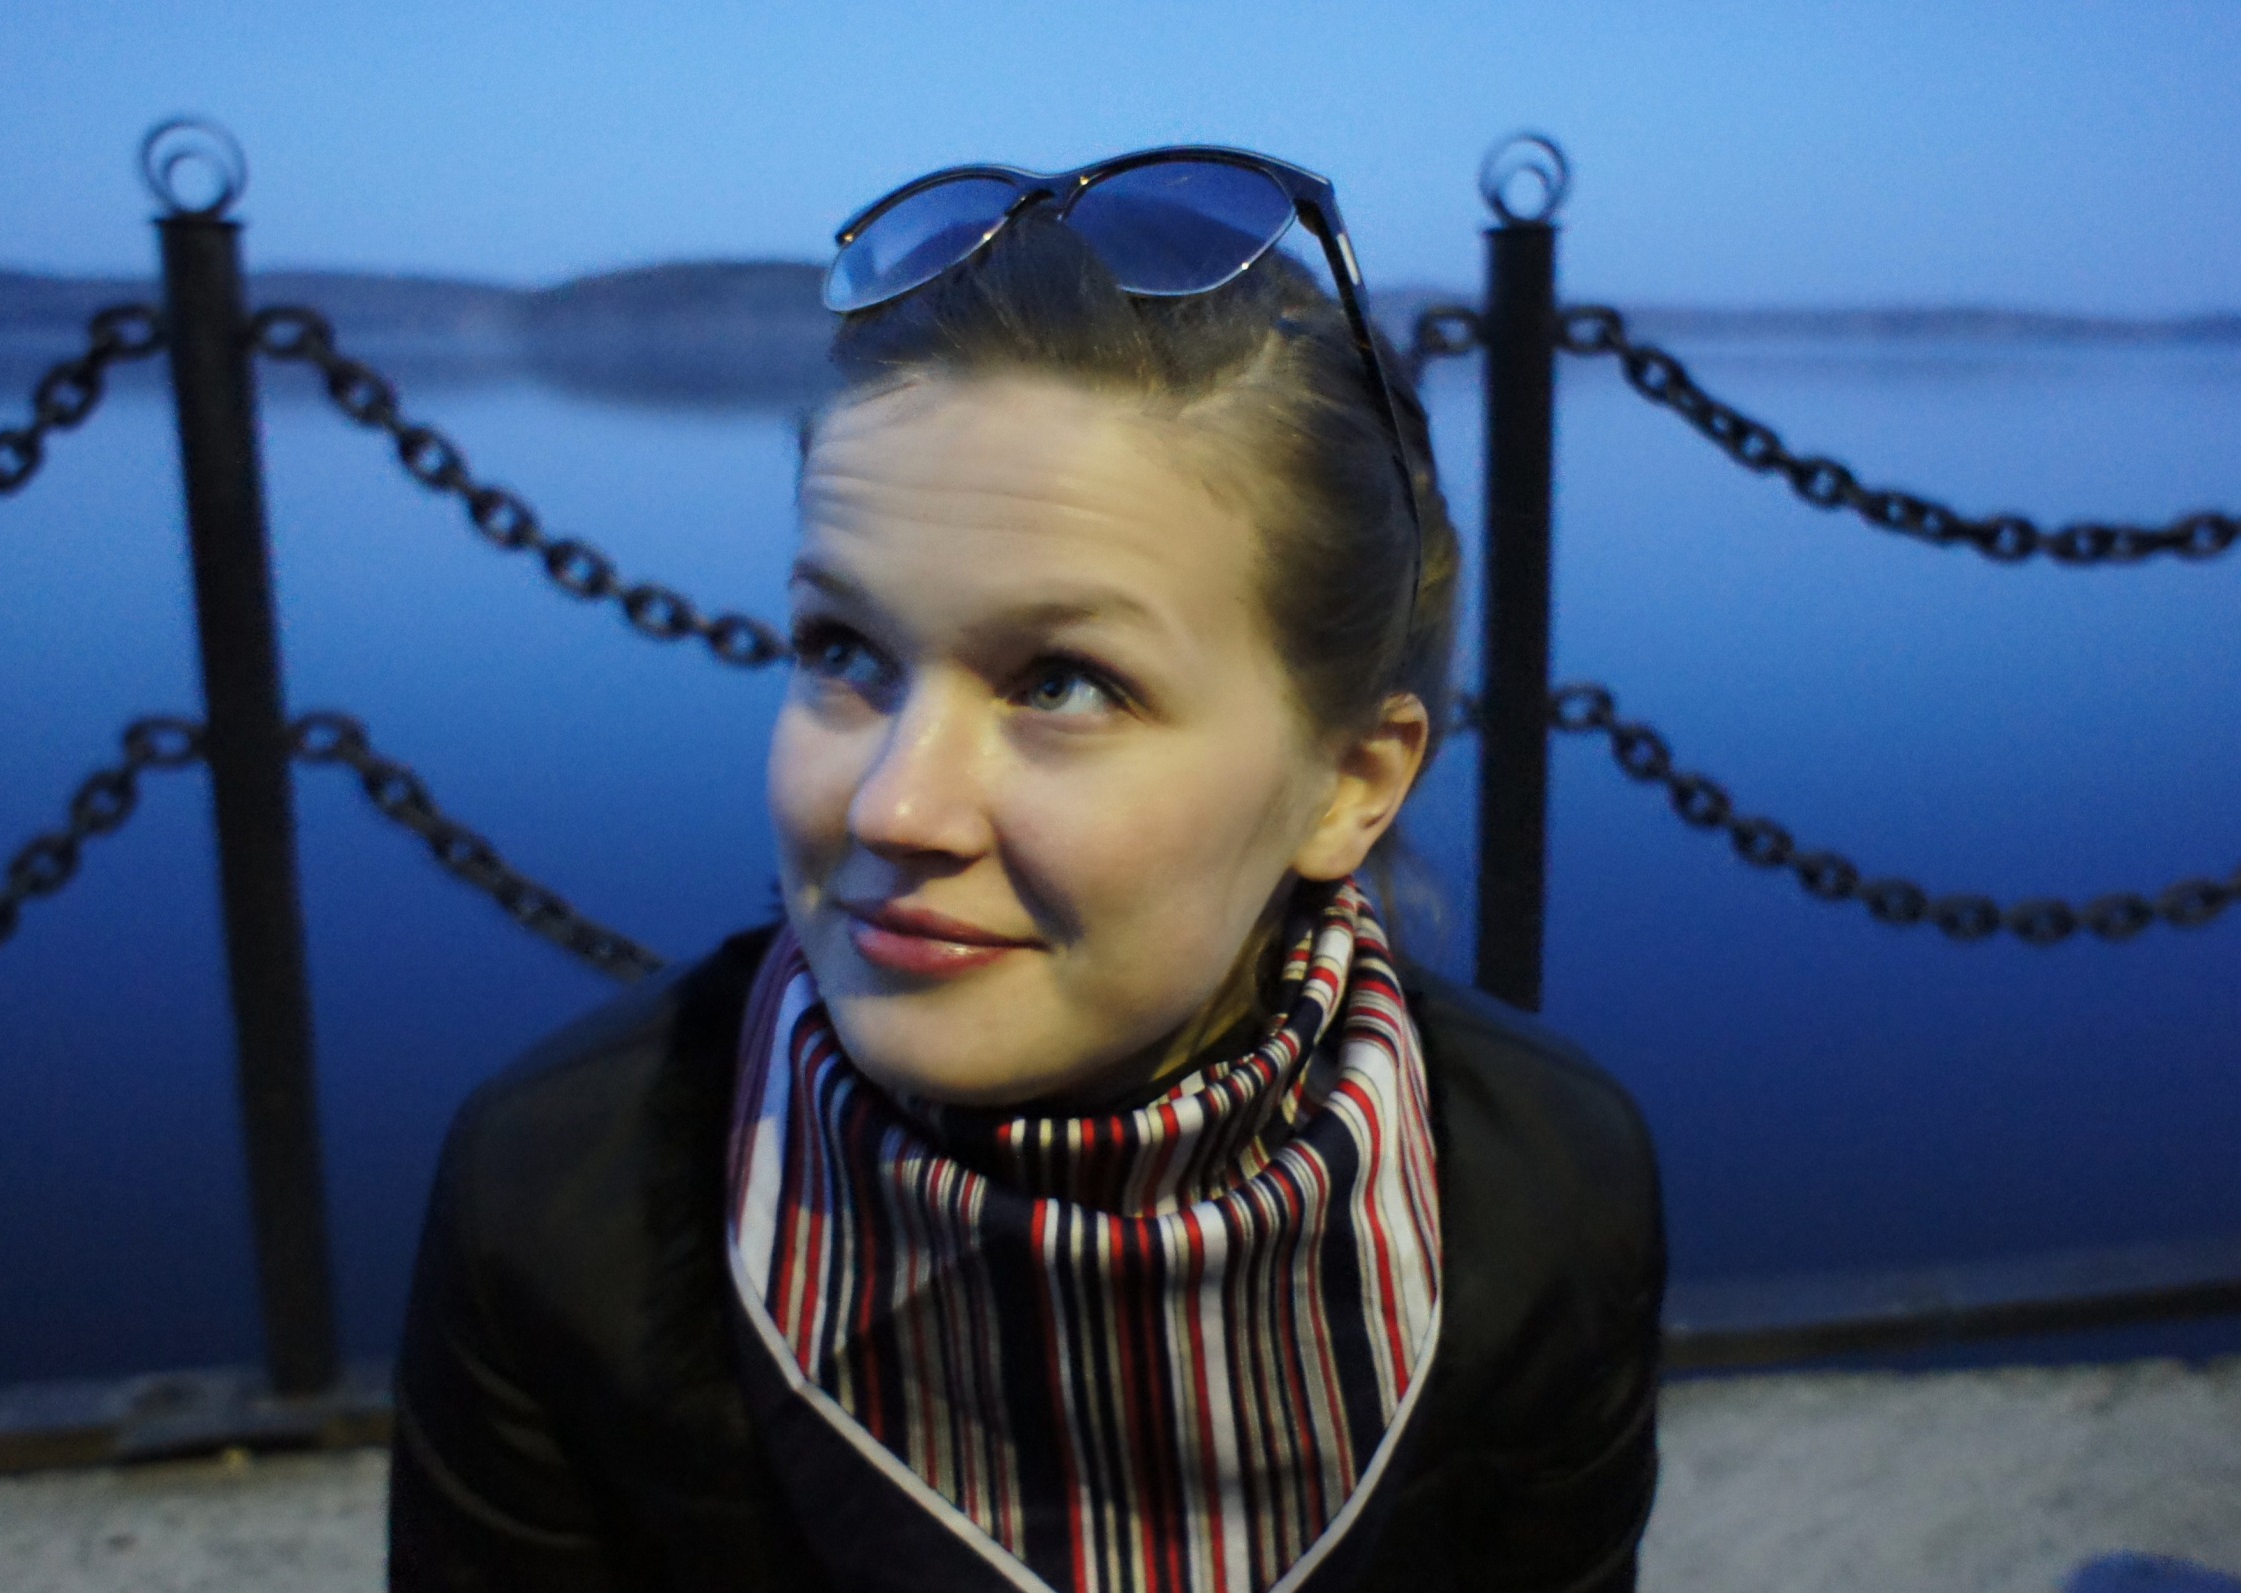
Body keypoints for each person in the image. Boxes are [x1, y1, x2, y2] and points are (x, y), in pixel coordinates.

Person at [389, 149, 1664, 1593]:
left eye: (1064, 682)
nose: (897, 804)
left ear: (1351, 782)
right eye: (843, 651)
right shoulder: (561, 1204)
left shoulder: (1543, 1196)